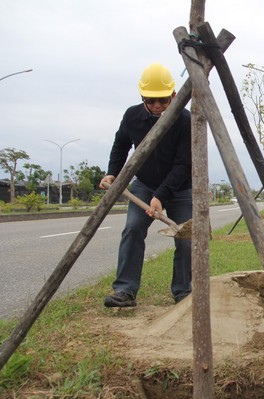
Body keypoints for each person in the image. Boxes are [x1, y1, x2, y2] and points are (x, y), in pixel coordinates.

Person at [100, 63, 192, 307]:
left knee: (186, 238)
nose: (157, 106)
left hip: (181, 189)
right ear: (142, 97)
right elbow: (120, 146)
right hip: (145, 185)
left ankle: (183, 292)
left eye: (162, 100)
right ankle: (125, 290)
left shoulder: (185, 119)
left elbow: (184, 165)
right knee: (132, 229)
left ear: (173, 95)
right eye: (150, 100)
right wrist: (112, 173)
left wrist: (161, 195)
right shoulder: (132, 116)